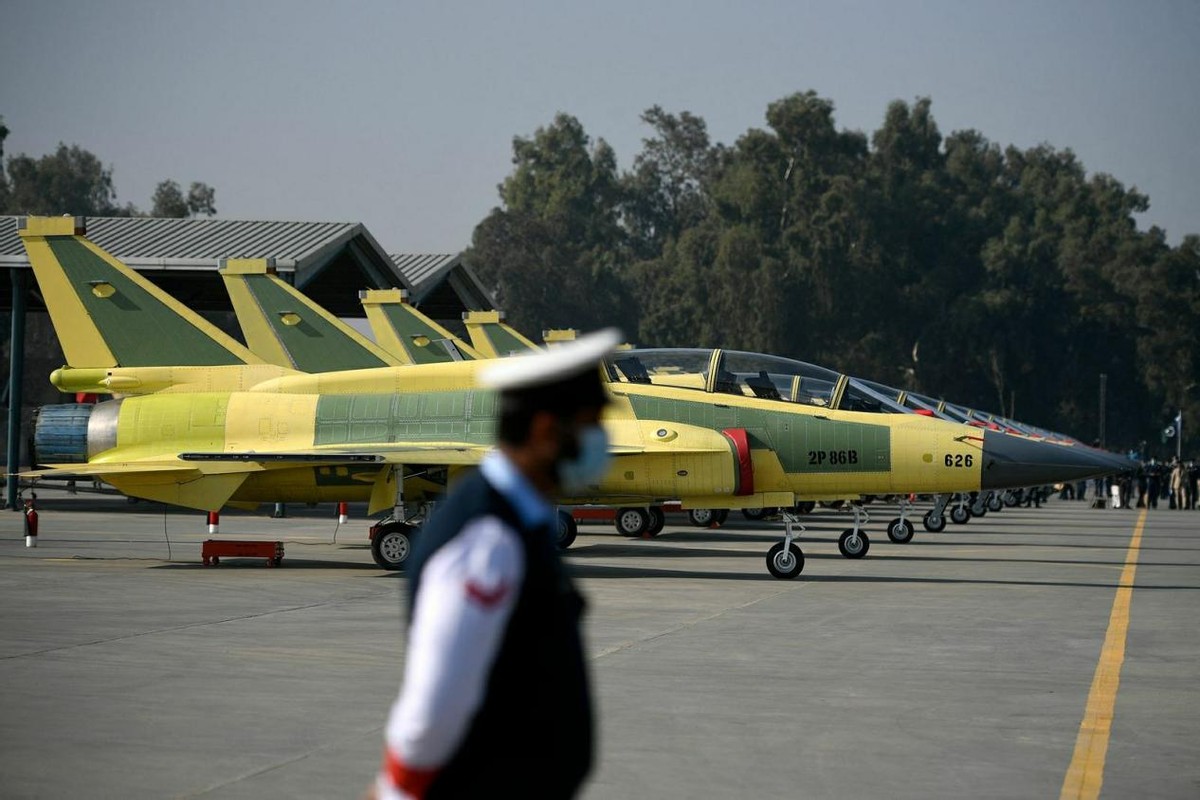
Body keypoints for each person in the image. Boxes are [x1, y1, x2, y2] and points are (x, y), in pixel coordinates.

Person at [372, 328, 621, 800]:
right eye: (590, 424)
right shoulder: (486, 540)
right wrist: (394, 790)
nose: (600, 441)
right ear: (545, 431)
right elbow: (435, 704)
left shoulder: (520, 523)